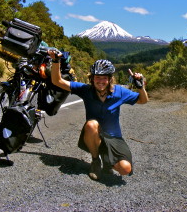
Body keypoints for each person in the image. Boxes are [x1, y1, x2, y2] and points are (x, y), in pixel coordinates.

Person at [49, 50, 149, 180]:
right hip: (93, 135)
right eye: (97, 77)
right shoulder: (85, 90)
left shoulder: (119, 92)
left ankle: (108, 161)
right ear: (92, 78)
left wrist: (141, 87)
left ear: (110, 79)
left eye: (104, 78)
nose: (100, 81)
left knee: (125, 169)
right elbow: (57, 81)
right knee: (92, 124)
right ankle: (96, 161)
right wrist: (56, 61)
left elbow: (143, 100)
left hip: (114, 138)